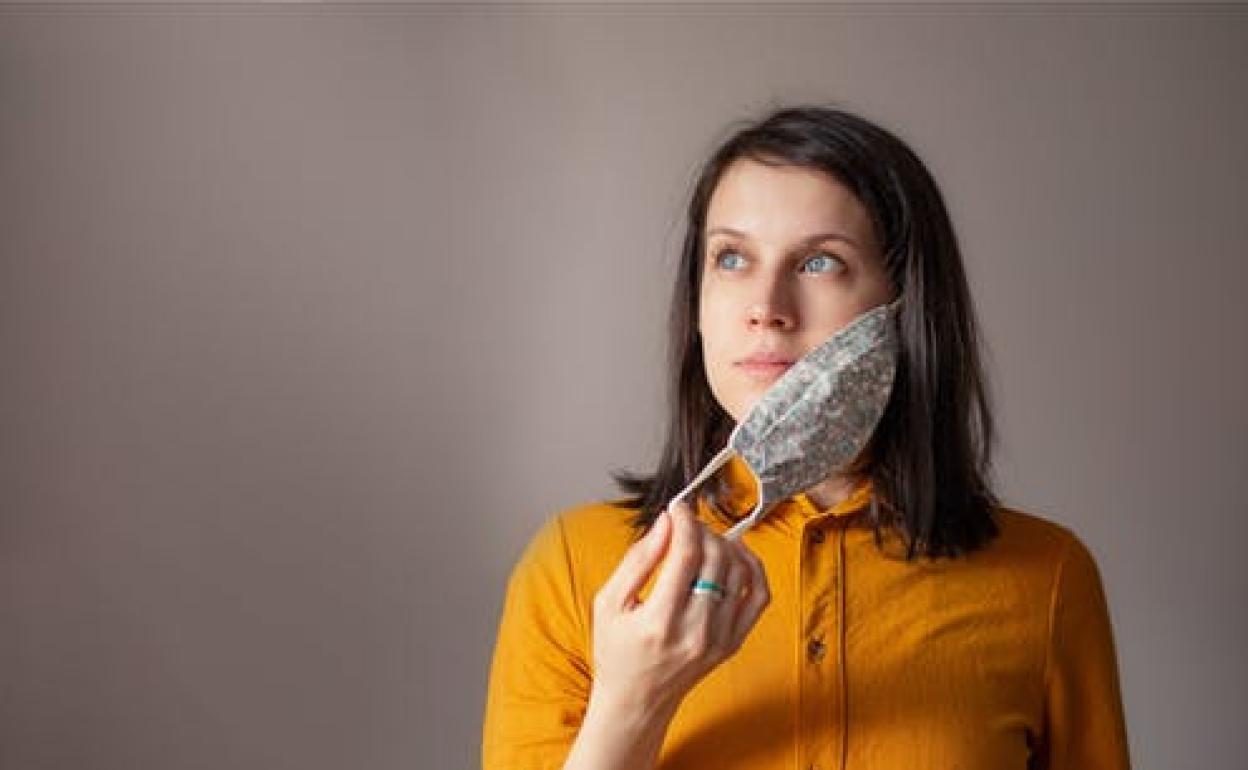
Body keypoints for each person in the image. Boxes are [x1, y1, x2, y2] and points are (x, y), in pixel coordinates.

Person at [481, 105, 1130, 770]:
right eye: (732, 258)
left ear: (905, 306)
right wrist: (634, 702)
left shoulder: (1049, 577)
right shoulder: (574, 567)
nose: (766, 307)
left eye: (820, 262)